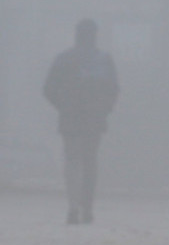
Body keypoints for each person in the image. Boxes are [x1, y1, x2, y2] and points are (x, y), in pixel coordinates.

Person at [43, 18, 119, 225]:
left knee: (72, 161)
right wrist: (105, 109)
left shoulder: (63, 59)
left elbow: (48, 89)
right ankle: (88, 209)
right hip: (94, 118)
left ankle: (72, 207)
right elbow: (113, 89)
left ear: (76, 35)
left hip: (71, 117)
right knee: (89, 162)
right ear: (95, 35)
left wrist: (63, 106)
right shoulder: (104, 60)